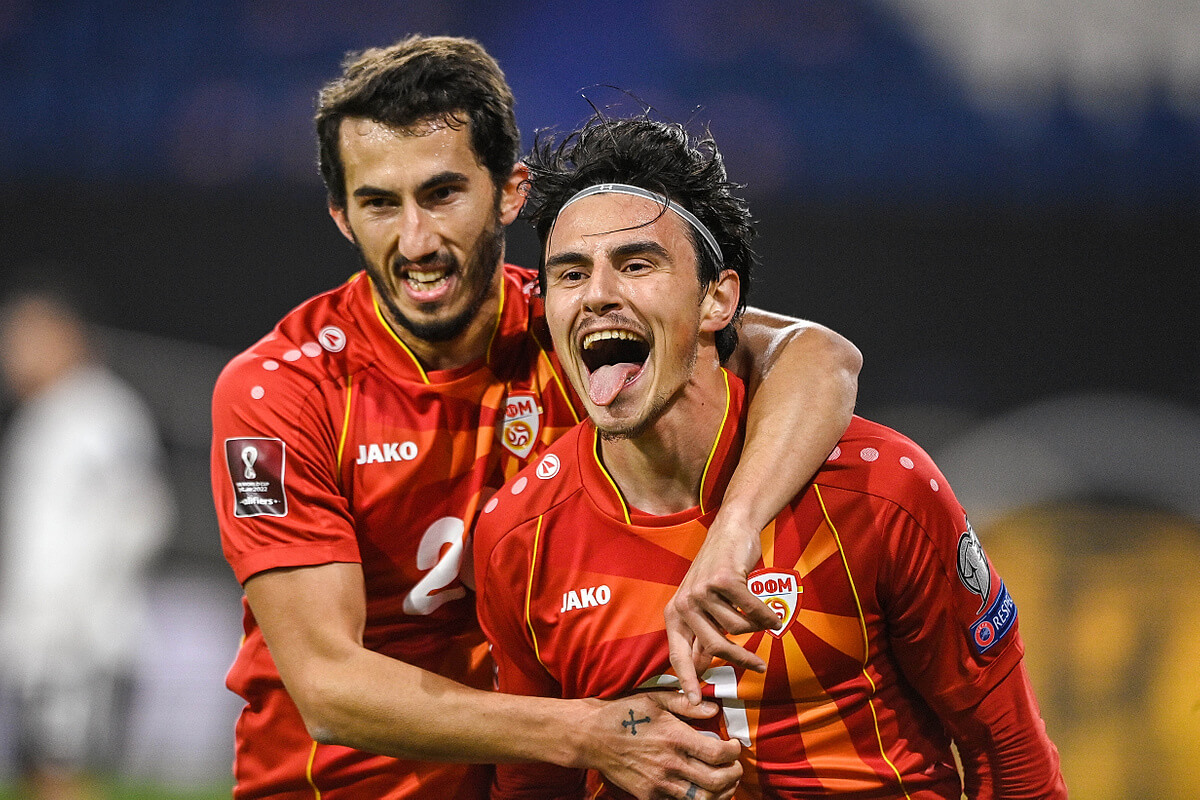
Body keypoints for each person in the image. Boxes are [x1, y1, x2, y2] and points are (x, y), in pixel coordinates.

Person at [210, 34, 862, 800]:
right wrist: (591, 732)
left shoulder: (580, 326)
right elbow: (327, 687)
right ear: (342, 217)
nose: (416, 240)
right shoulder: (281, 392)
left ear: (510, 192)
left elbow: (820, 357)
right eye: (380, 203)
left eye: (443, 194)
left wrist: (735, 530)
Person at [473, 113, 1068, 798]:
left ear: (718, 300)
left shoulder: (877, 490)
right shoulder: (519, 538)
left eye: (636, 265)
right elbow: (533, 783)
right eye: (571, 274)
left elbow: (1010, 753)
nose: (599, 294)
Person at [0, 271, 174, 800]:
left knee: (66, 774)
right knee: (39, 772)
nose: (12, 355)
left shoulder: (100, 413)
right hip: (40, 638)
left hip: (82, 641)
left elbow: (142, 517)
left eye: (25, 338)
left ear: (66, 336)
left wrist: (79, 616)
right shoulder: (46, 415)